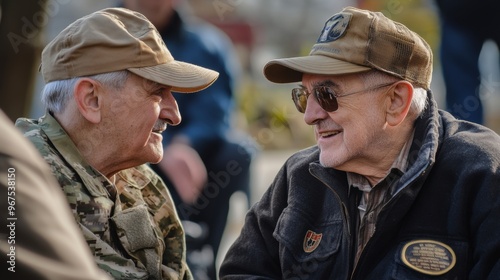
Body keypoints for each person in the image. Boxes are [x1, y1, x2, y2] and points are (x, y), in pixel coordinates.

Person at [220, 6, 500, 280]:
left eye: (327, 94)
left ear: (396, 101)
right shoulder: (298, 176)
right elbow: (241, 272)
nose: (309, 116)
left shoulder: (483, 176)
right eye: (303, 96)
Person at [15, 7, 219, 280]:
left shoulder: (141, 183)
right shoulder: (22, 184)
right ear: (91, 100)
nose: (175, 114)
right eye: (157, 92)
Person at [120, 1, 256, 279]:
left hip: (189, 156)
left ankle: (203, 260)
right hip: (130, 146)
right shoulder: (102, 40)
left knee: (237, 153)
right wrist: (162, 147)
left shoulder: (207, 44)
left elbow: (215, 111)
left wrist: (184, 144)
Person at [0, 110, 110, 280]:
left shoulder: (146, 181)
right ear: (92, 99)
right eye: (156, 93)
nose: (167, 113)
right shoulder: (31, 156)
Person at [435, 0, 500, 124]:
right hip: (458, 13)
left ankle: (466, 139)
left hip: (458, 12)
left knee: (463, 106)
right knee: (463, 108)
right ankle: (466, 140)